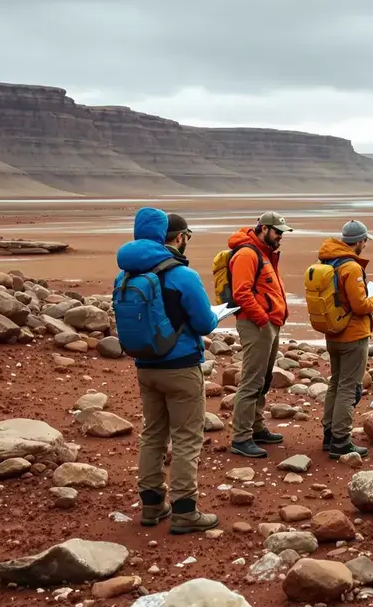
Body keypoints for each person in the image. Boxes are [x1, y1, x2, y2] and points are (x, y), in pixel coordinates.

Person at [114, 208, 219, 534]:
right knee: (186, 438)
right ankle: (185, 510)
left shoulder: (124, 276)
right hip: (181, 367)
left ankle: (152, 504)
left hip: (145, 365)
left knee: (153, 434)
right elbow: (204, 323)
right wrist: (216, 316)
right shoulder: (182, 275)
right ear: (175, 237)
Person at [316, 220, 373, 459]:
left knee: (336, 383)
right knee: (348, 388)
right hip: (353, 335)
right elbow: (360, 306)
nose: (365, 245)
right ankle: (341, 441)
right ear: (358, 241)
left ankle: (329, 435)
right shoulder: (351, 267)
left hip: (333, 332)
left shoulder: (328, 262)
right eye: (365, 241)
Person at [227, 211, 293, 458]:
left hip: (268, 323)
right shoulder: (247, 254)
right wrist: (262, 319)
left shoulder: (264, 253)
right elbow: (241, 293)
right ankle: (241, 437)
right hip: (256, 324)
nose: (281, 236)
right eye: (278, 232)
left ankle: (256, 428)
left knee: (263, 379)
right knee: (252, 380)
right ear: (264, 229)